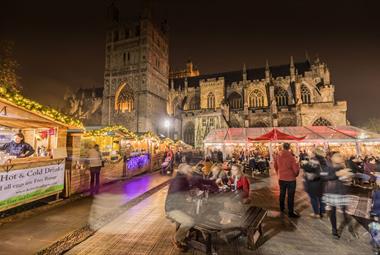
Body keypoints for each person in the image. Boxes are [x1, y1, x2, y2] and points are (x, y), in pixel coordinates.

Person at [165, 161, 218, 251]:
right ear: (185, 172)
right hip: (172, 209)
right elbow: (181, 196)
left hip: (178, 207)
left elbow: (190, 190)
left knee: (195, 215)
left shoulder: (182, 179)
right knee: (190, 221)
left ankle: (185, 234)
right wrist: (190, 197)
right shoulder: (179, 181)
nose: (191, 174)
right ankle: (177, 239)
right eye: (190, 172)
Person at [322, 152, 354, 239]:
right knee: (333, 211)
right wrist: (337, 174)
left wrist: (347, 177)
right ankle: (334, 230)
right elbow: (325, 177)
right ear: (332, 158)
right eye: (337, 157)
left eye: (340, 157)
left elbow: (344, 179)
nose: (340, 158)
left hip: (341, 191)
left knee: (344, 211)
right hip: (332, 192)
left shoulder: (341, 166)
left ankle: (350, 228)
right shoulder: (327, 167)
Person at [274, 143, 300, 218]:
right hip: (291, 179)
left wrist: (278, 173)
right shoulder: (291, 157)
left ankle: (282, 208)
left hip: (281, 178)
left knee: (282, 193)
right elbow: (296, 171)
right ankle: (290, 212)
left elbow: (275, 166)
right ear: (289, 148)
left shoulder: (278, 156)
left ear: (282, 147)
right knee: (290, 196)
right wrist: (297, 166)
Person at [301, 147, 326, 218]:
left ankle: (316, 213)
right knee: (321, 197)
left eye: (311, 152)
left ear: (315, 153)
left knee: (314, 198)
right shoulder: (324, 160)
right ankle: (323, 212)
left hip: (314, 182)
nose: (310, 153)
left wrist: (304, 164)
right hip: (322, 182)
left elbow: (309, 168)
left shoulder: (314, 160)